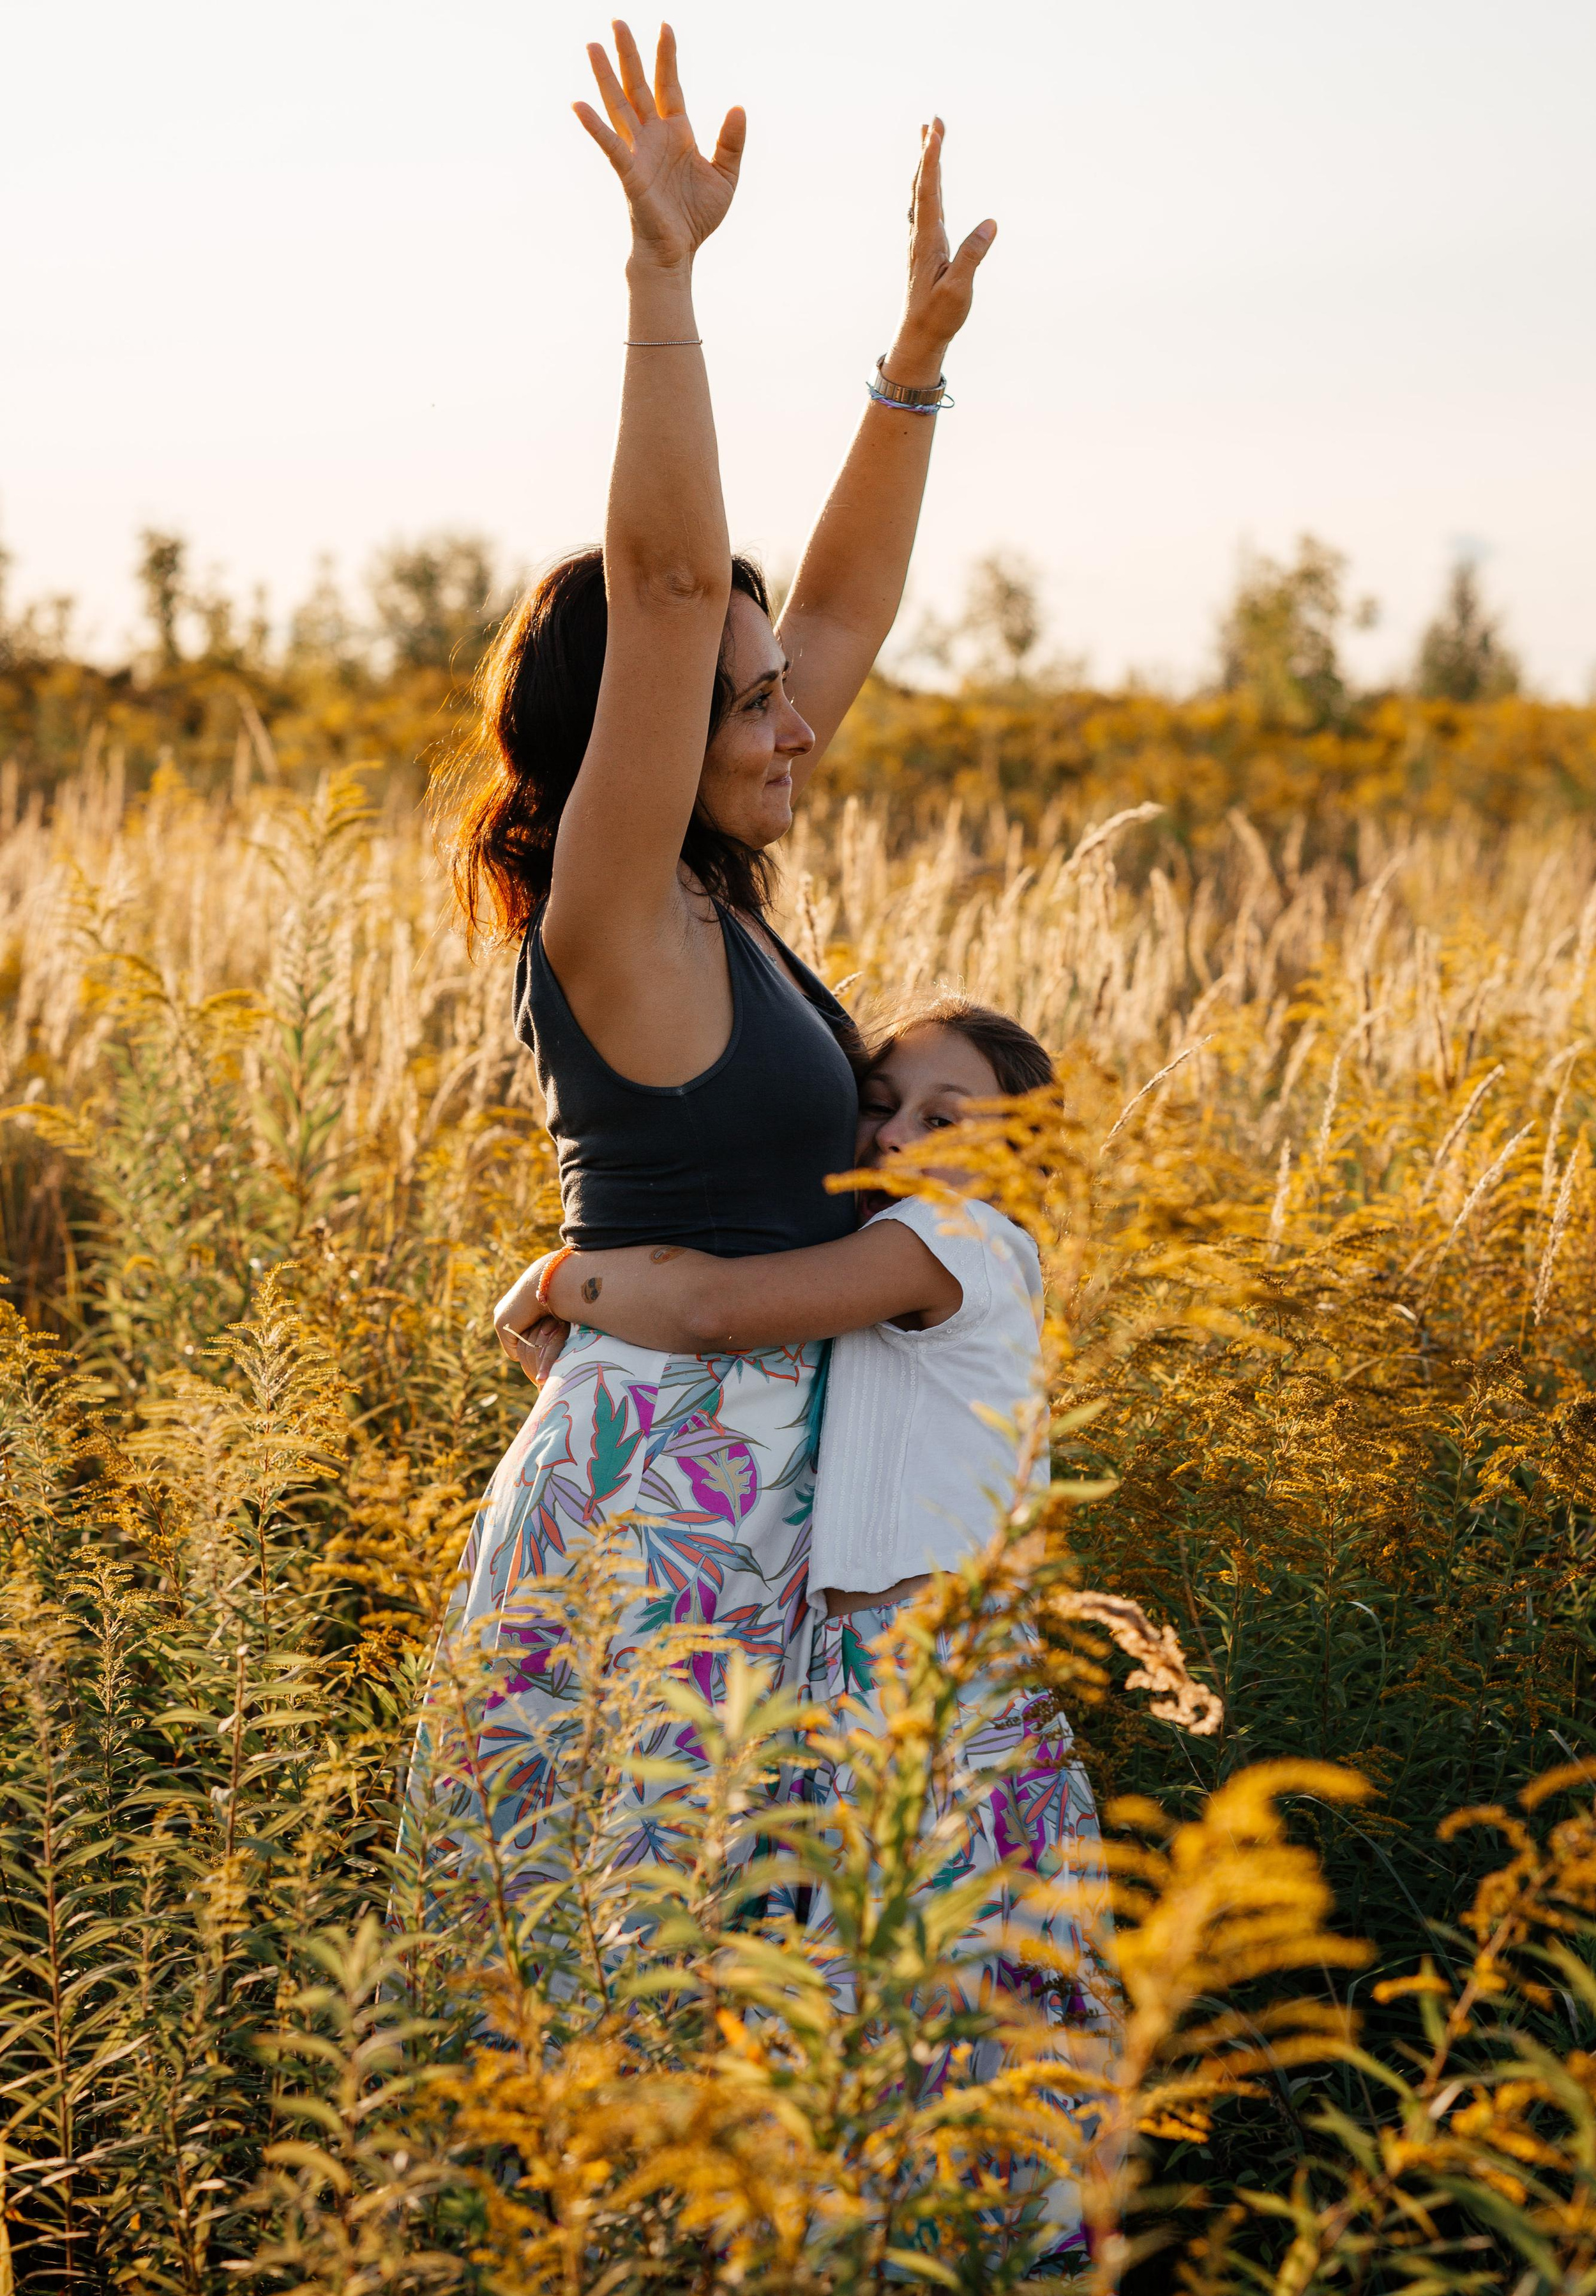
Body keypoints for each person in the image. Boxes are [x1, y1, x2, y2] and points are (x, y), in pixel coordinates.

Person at [413, 24, 996, 1890]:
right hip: (658, 1519)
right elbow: (682, 592)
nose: (794, 722)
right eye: (744, 711)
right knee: (618, 1987)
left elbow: (816, 613)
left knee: (754, 2007)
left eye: (774, 706)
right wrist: (663, 274)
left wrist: (906, 378)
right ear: (645, 730)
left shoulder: (720, 890)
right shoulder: (614, 913)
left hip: (765, 1515)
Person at [498, 997, 1118, 2194]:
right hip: (859, 1684)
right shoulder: (881, 1275)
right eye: (879, 1104)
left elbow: (716, 1312)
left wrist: (562, 1276)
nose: (895, 1135)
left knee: (956, 1995)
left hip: (940, 1691)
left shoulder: (960, 1244)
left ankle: (996, 2280)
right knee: (874, 2014)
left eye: (947, 1116)